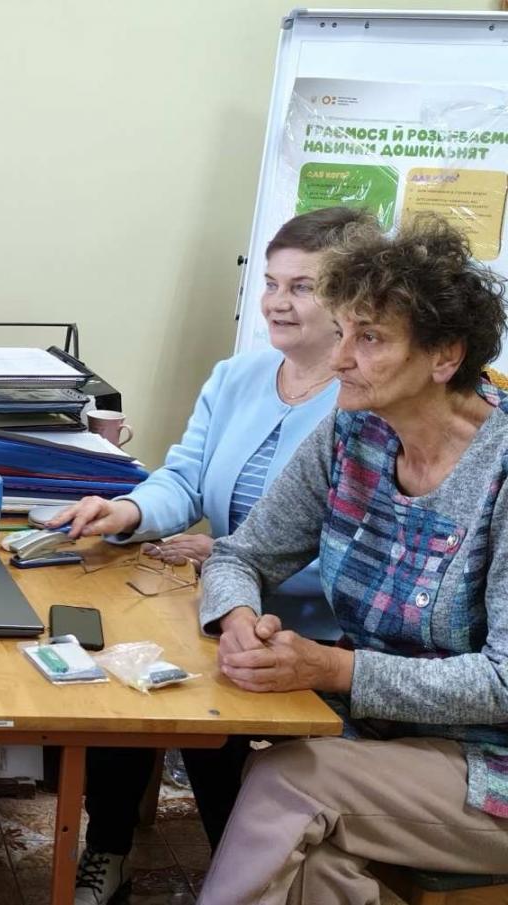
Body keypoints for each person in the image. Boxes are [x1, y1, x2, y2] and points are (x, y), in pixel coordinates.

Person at [46, 206, 379, 905]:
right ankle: (110, 849)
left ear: (352, 302)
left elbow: (361, 556)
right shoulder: (238, 375)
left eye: (302, 287)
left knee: (200, 704)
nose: (277, 302)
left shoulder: (370, 405)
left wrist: (225, 554)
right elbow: (185, 479)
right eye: (271, 283)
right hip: (221, 601)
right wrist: (128, 511)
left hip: (316, 633)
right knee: (117, 667)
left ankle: (247, 871)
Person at [193, 216, 508, 904]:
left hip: (491, 764)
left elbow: (504, 682)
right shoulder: (353, 432)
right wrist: (239, 618)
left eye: (369, 339)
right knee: (318, 862)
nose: (339, 359)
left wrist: (337, 668)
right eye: (342, 333)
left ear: (445, 356)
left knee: (289, 780)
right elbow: (242, 553)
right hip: (382, 740)